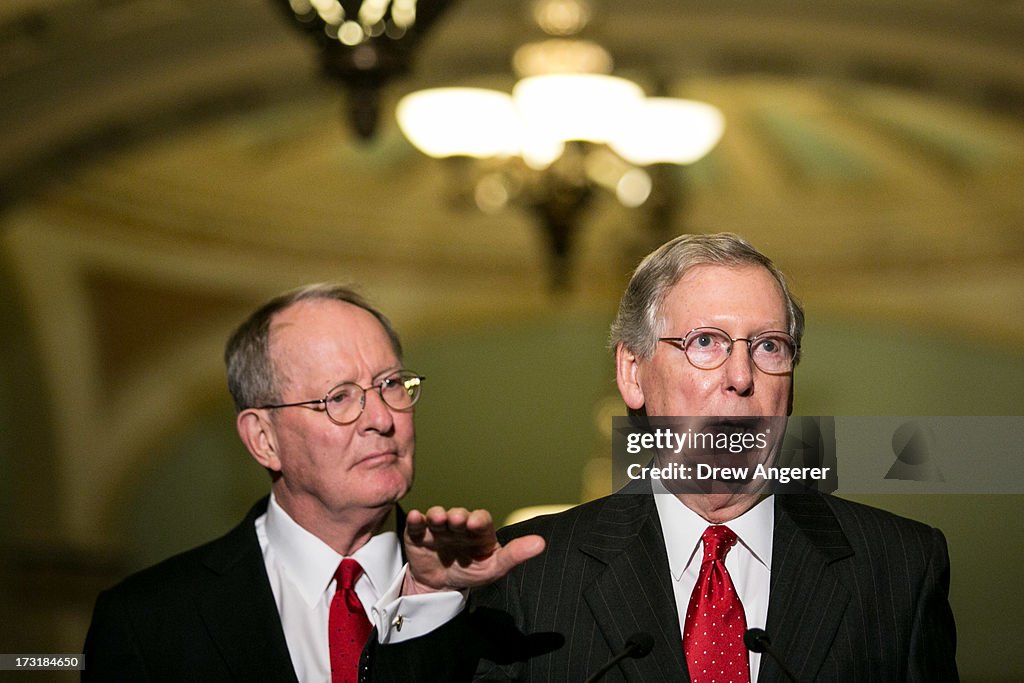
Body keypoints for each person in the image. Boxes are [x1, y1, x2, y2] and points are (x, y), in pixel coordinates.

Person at [374, 233, 959, 681]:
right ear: (633, 373)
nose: (740, 376)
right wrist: (427, 607)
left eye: (769, 346)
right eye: (706, 342)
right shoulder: (532, 577)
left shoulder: (899, 568)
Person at [82, 284, 542, 682]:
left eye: (391, 384)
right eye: (339, 397)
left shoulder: (491, 602)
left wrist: (428, 610)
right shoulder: (147, 621)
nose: (382, 418)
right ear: (264, 439)